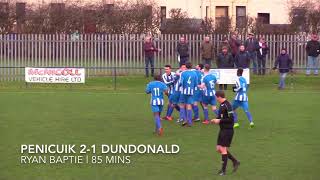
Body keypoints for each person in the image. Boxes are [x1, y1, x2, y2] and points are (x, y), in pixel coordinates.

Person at [211, 90, 240, 176]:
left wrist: (219, 120)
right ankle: (235, 161)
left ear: (219, 97)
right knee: (219, 148)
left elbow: (231, 119)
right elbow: (221, 117)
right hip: (222, 130)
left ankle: (223, 171)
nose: (216, 99)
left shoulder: (228, 105)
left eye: (216, 97)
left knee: (223, 149)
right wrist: (215, 119)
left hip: (228, 130)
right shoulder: (221, 105)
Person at [179, 62, 198, 127]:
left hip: (184, 91)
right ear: (191, 66)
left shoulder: (183, 73)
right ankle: (189, 122)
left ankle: (184, 119)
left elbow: (181, 82)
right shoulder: (194, 73)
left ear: (186, 67)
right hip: (191, 91)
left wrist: (180, 86)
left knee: (182, 105)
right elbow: (196, 83)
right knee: (189, 105)